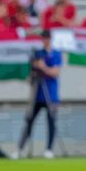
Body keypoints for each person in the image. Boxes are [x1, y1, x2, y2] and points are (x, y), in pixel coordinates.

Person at [11, 29, 62, 159]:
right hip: (37, 93)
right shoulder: (38, 53)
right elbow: (32, 73)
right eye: (43, 38)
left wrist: (43, 66)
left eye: (46, 38)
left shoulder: (56, 53)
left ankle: (49, 149)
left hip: (51, 94)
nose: (44, 41)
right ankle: (20, 149)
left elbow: (55, 72)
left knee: (51, 121)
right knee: (29, 121)